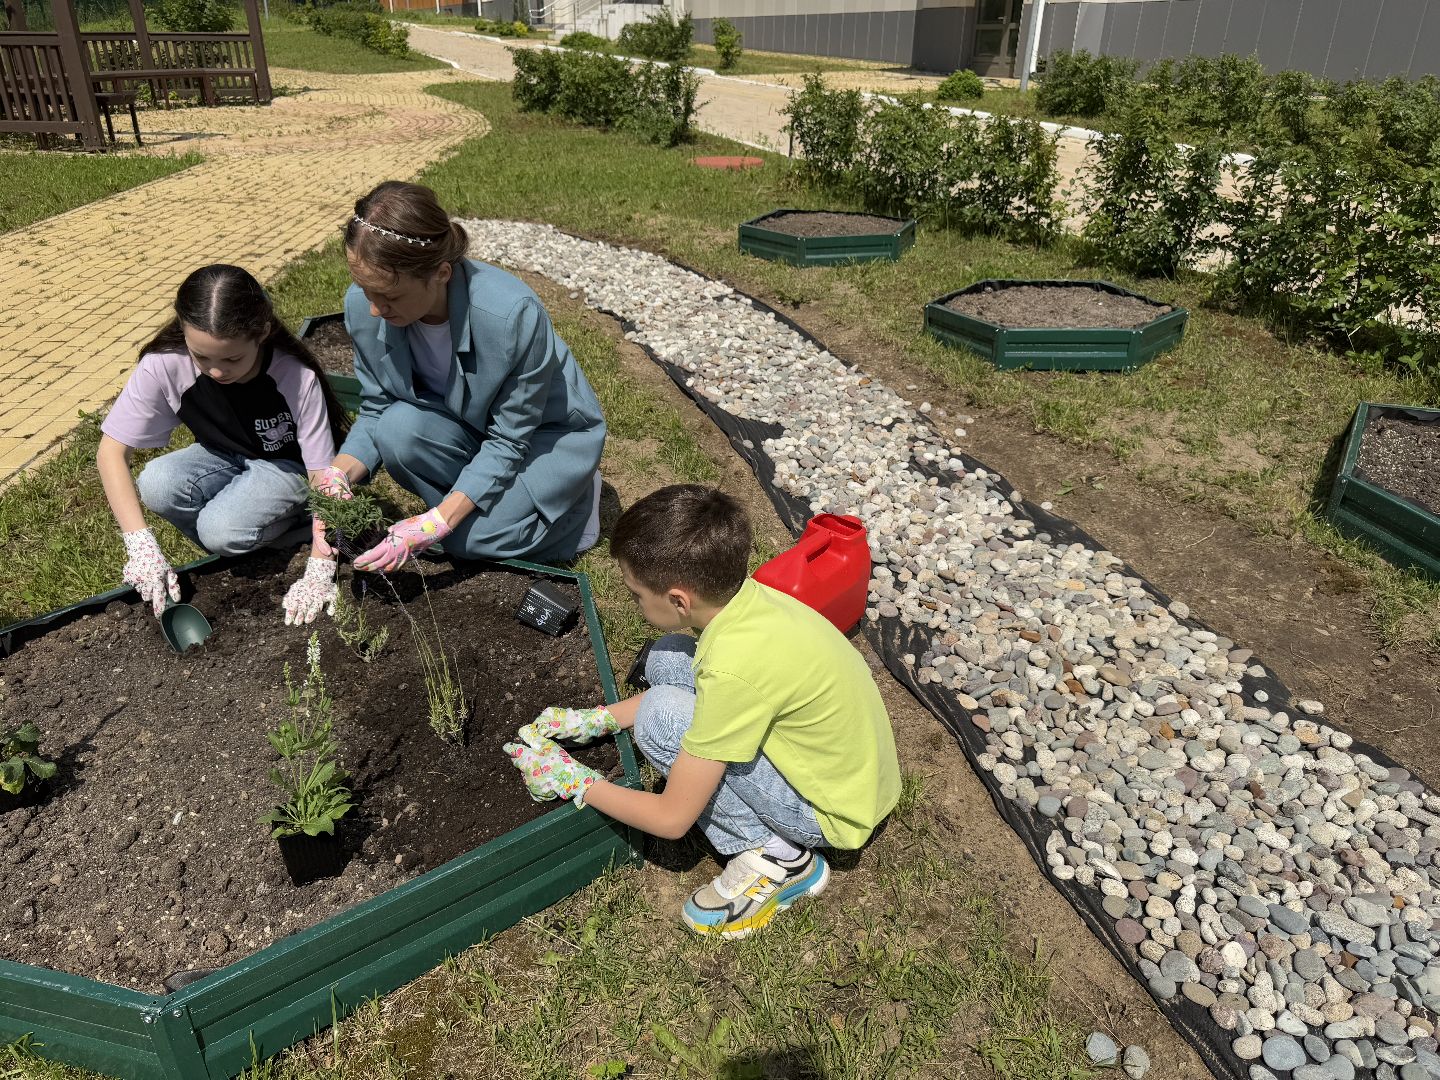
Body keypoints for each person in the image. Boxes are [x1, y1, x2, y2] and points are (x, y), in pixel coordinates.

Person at [504, 485, 902, 939]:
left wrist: (574, 780)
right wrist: (603, 718)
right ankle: (778, 847)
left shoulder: (733, 670)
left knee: (659, 717)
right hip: (858, 775)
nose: (634, 605)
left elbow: (672, 819)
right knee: (671, 654)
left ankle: (781, 858)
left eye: (636, 594)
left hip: (830, 811)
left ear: (678, 600)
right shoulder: (754, 600)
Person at [310, 180, 606, 584]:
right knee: (398, 430)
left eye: (389, 295)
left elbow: (509, 439)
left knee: (467, 541)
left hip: (544, 436)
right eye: (365, 289)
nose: (375, 309)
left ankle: (574, 507)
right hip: (466, 424)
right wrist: (338, 473)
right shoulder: (363, 307)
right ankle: (481, 506)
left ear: (441, 273)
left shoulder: (511, 315)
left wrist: (436, 523)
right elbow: (378, 409)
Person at [97, 265, 349, 619]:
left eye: (232, 358)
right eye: (201, 357)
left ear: (262, 332)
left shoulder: (294, 376)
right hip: (222, 454)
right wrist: (139, 544)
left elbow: (323, 476)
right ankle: (253, 535)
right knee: (156, 482)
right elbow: (111, 452)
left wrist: (322, 568)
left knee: (220, 531)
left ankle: (292, 532)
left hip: (287, 466)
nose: (216, 371)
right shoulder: (163, 365)